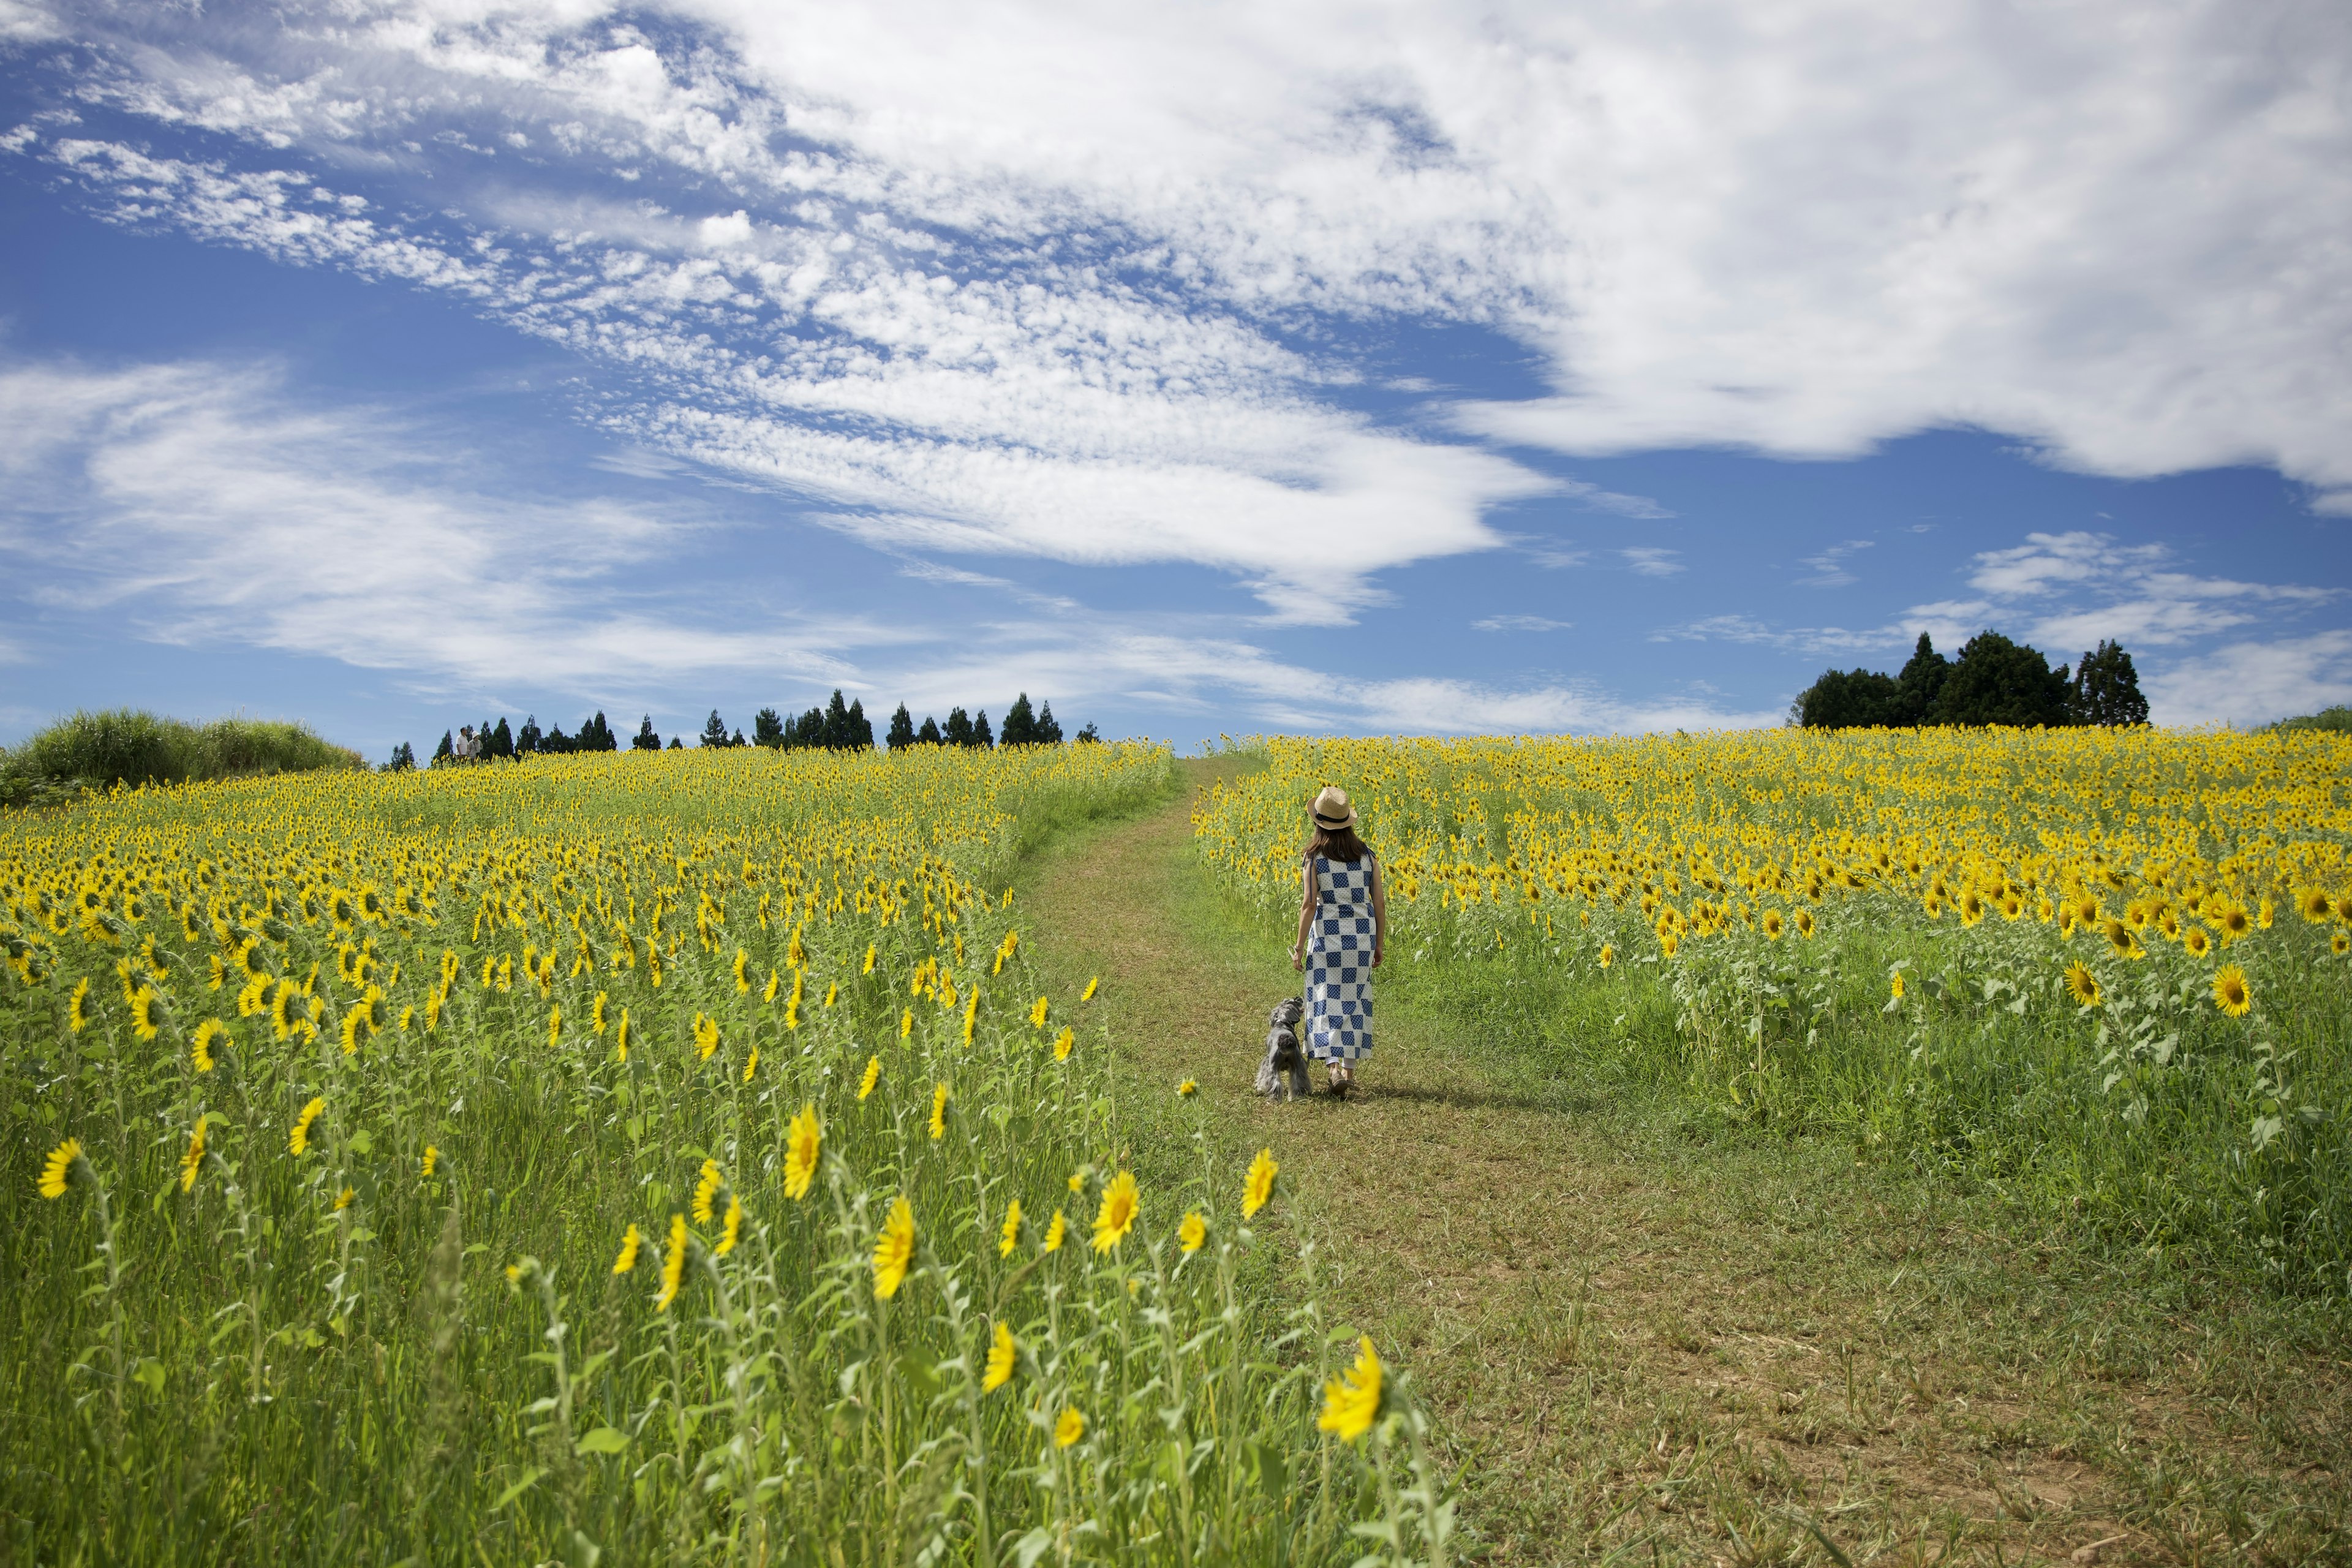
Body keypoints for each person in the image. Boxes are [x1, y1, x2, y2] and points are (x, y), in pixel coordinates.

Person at [1289, 785, 1384, 1098]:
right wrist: (1379, 943)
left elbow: (1309, 905)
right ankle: (1349, 1072)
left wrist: (1300, 947)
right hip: (1360, 936)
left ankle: (1332, 1068)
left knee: (1326, 1000)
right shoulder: (1368, 857)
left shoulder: (1314, 858)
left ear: (1318, 822)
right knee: (1355, 1001)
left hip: (1328, 937)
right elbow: (1379, 903)